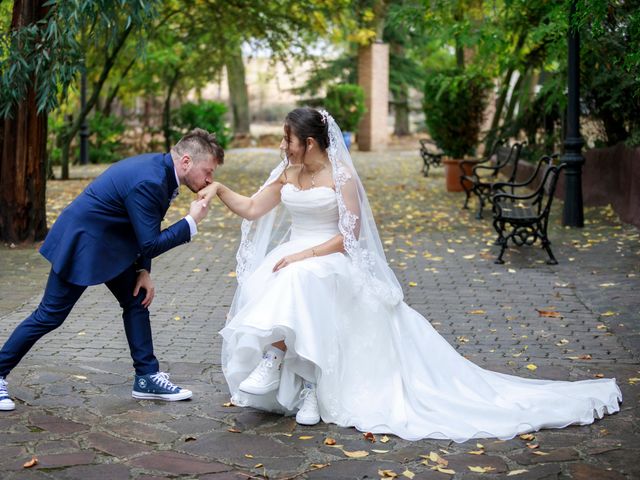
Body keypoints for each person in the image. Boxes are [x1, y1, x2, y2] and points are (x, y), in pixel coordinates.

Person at [200, 108, 621, 441]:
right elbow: (254, 208)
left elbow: (350, 237)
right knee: (283, 277)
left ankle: (302, 381)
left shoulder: (341, 177)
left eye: (287, 139)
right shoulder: (287, 172)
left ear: (309, 142)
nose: (282, 146)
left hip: (330, 254)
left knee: (299, 277)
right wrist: (219, 190)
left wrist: (304, 255)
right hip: (300, 255)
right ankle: (289, 371)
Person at [0, 128, 223, 412]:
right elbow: (151, 242)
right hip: (82, 244)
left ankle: (146, 377)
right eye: (208, 171)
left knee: (136, 299)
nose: (209, 180)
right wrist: (191, 221)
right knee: (49, 315)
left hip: (109, 245)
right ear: (187, 161)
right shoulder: (151, 180)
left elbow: (144, 229)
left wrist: (143, 271)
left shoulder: (161, 172)